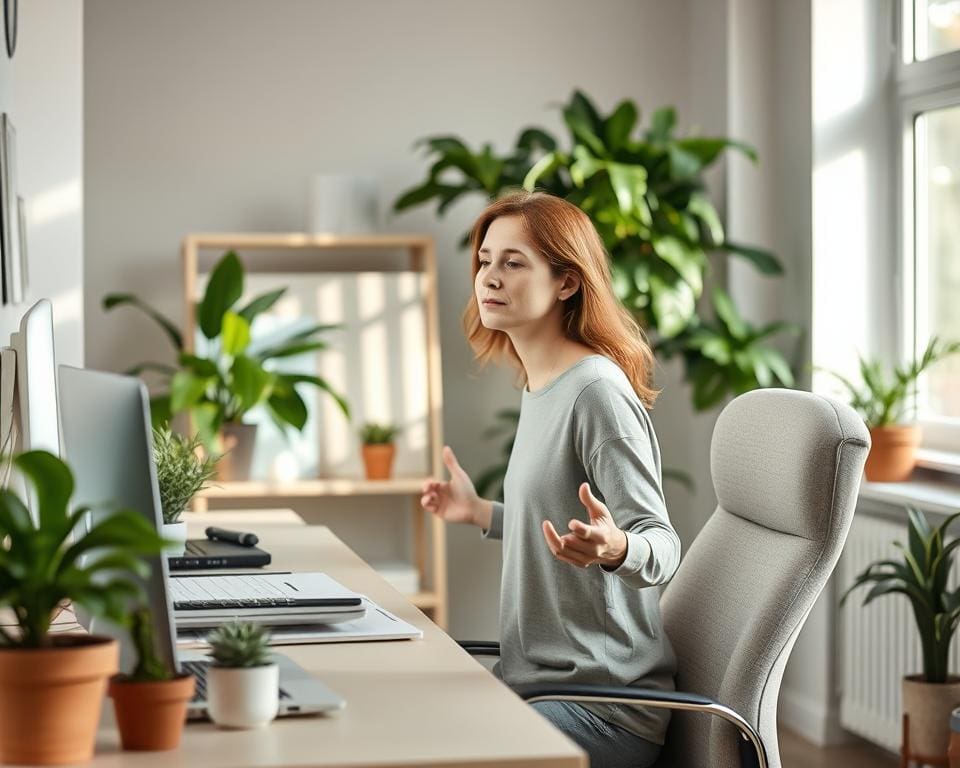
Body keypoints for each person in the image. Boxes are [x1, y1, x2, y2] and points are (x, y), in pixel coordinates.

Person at [420, 190, 681, 768]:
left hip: (601, 707)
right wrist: (481, 513)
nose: (490, 276)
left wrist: (617, 548)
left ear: (566, 282)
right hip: (538, 686)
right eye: (485, 260)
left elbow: (663, 546)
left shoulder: (596, 392)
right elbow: (557, 523)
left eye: (513, 262)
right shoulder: (541, 383)